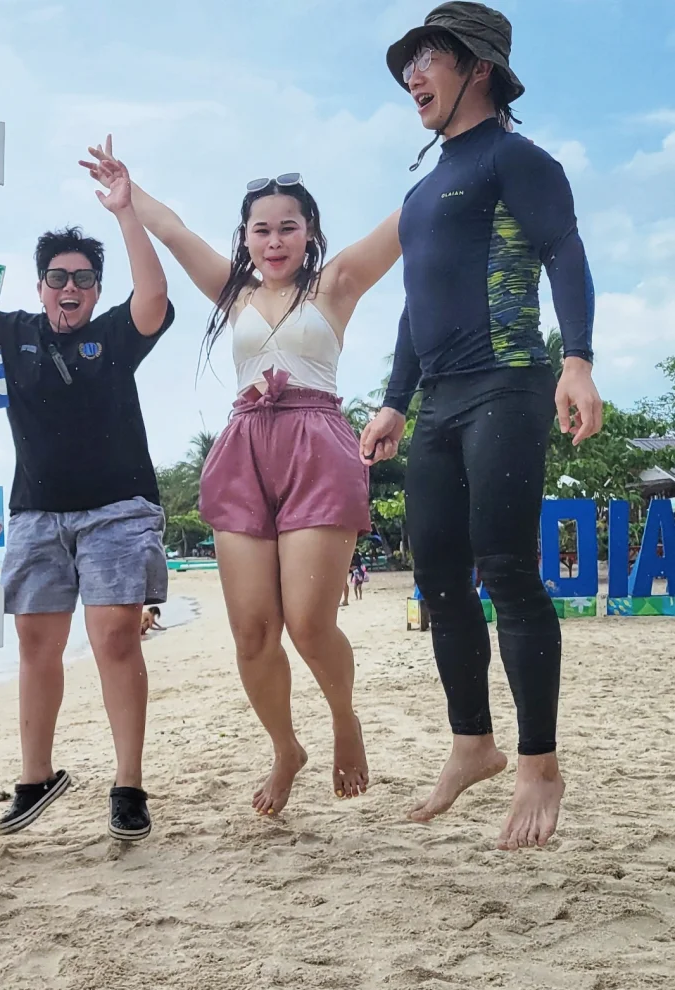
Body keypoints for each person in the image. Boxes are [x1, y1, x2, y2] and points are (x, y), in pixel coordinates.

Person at [360, 2, 601, 849]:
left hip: (509, 382)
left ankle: (539, 760)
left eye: (429, 57)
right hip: (439, 401)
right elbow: (411, 305)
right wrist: (394, 398)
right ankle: (473, 742)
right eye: (408, 61)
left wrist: (576, 358)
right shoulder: (423, 187)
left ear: (479, 68)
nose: (411, 75)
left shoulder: (515, 159)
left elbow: (564, 251)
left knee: (505, 566)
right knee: (438, 578)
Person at [123, 167, 400, 814]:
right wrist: (123, 190)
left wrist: (471, 143)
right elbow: (169, 228)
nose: (273, 240)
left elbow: (405, 221)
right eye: (260, 229)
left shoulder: (334, 285)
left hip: (316, 447)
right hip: (244, 448)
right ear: (244, 237)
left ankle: (342, 719)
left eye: (287, 227)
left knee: (307, 624)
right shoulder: (232, 292)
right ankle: (284, 749)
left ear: (308, 234)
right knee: (251, 631)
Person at [0, 135, 173, 842]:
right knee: (35, 648)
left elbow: (154, 299)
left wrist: (126, 212)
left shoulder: (112, 334)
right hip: (36, 512)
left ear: (95, 287)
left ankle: (127, 786)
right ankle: (35, 777)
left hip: (118, 510)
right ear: (38, 284)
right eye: (56, 277)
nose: (69, 288)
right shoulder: (11, 332)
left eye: (82, 278)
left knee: (113, 641)